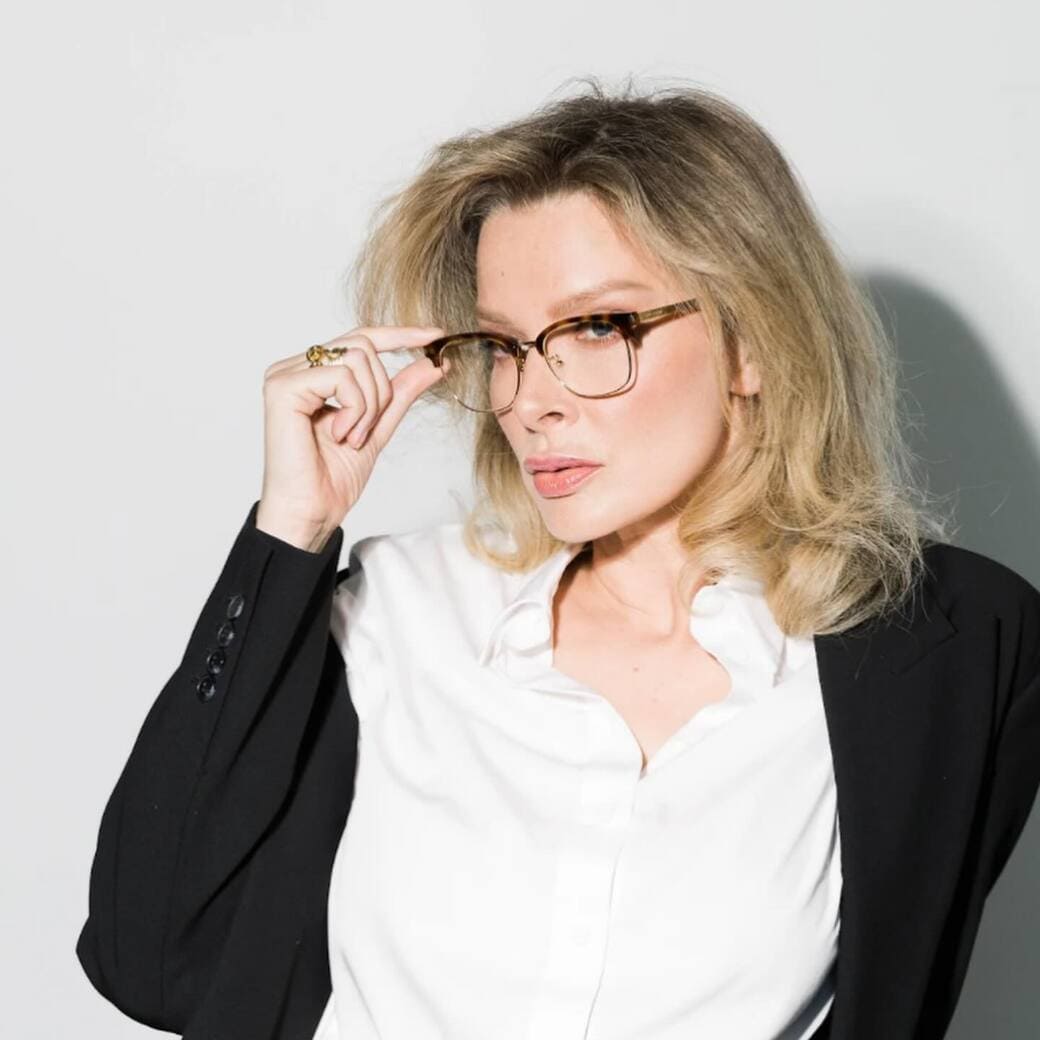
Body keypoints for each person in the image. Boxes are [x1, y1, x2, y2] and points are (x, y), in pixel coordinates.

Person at [76, 79, 1040, 1040]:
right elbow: (146, 955)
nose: (530, 399)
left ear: (752, 343)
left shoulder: (945, 656)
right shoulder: (398, 615)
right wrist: (291, 530)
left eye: (596, 328)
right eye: (504, 345)